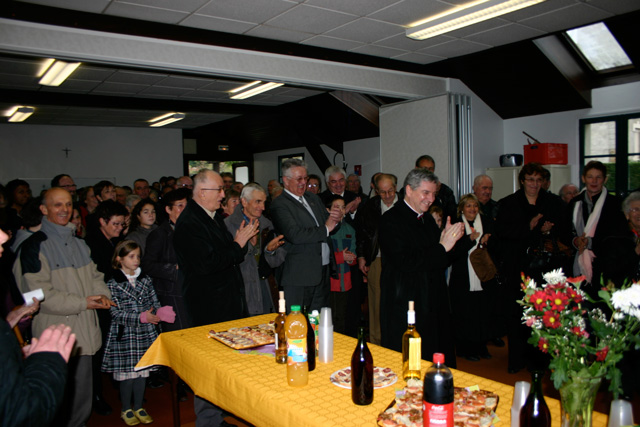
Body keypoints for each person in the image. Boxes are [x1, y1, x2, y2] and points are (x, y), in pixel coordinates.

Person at [13, 187, 115, 426]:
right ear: (43, 209)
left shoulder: (79, 244)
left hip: (85, 335)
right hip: (56, 337)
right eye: (57, 205)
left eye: (68, 204)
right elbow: (37, 296)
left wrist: (101, 294)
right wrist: (83, 302)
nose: (64, 210)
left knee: (81, 402)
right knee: (58, 406)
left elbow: (95, 276)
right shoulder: (33, 247)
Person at [173, 169, 257, 426]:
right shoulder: (189, 223)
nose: (223, 194)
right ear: (201, 192)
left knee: (224, 365)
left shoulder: (210, 216)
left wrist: (237, 244)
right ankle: (208, 421)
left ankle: (218, 416)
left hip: (224, 302)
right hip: (209, 307)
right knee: (210, 366)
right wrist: (237, 244)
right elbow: (207, 265)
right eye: (218, 190)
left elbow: (227, 256)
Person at [378, 168, 463, 367]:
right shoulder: (390, 220)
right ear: (409, 190)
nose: (430, 199)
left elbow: (439, 259)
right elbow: (406, 261)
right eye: (425, 193)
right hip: (406, 301)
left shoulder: (426, 220)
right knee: (410, 362)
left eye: (433, 194)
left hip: (430, 300)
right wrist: (443, 247)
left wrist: (453, 244)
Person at [495, 162, 564, 374]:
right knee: (517, 315)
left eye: (538, 180)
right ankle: (517, 359)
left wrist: (548, 231)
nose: (535, 184)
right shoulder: (508, 203)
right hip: (518, 267)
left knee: (543, 315)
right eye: (531, 179)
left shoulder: (554, 202)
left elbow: (564, 230)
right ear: (522, 180)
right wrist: (529, 227)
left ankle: (541, 361)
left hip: (546, 268)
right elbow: (502, 234)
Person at [101, 240, 175, 426]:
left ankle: (139, 405)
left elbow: (154, 300)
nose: (136, 260)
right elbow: (115, 313)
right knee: (128, 375)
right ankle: (126, 408)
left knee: (142, 373)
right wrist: (141, 317)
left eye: (138, 256)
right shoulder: (113, 283)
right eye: (131, 256)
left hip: (145, 333)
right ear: (119, 259)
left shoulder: (145, 279)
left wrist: (159, 312)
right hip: (125, 336)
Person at [270, 159, 343, 312]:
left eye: (305, 178)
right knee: (297, 324)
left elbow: (328, 227)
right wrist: (326, 228)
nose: (304, 183)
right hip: (299, 275)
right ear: (285, 180)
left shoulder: (312, 198)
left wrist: (336, 220)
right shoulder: (280, 204)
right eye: (299, 179)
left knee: (318, 321)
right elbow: (295, 235)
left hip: (322, 271)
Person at [560, 161, 628, 297]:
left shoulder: (615, 204)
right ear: (583, 178)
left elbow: (617, 236)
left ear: (605, 179)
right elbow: (564, 231)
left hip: (605, 266)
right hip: (577, 265)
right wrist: (575, 241)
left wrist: (590, 242)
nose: (594, 181)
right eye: (590, 177)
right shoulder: (575, 203)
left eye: (598, 177)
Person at [449, 194, 497, 362]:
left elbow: (495, 248)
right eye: (468, 206)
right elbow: (452, 252)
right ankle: (465, 348)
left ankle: (481, 346)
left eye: (475, 206)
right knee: (464, 313)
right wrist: (470, 240)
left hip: (482, 275)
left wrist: (485, 242)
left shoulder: (486, 222)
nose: (472, 209)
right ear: (461, 208)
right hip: (462, 277)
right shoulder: (456, 225)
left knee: (482, 312)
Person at [224, 183, 285, 315]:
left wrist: (270, 251)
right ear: (244, 202)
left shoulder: (268, 225)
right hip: (240, 289)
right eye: (258, 202)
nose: (262, 207)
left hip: (264, 288)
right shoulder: (228, 226)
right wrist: (242, 245)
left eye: (264, 202)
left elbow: (278, 260)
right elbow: (225, 260)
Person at [354, 173, 398, 345]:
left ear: (396, 188)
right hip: (377, 259)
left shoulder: (405, 205)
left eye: (391, 191)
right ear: (376, 190)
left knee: (397, 304)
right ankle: (376, 343)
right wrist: (361, 256)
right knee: (376, 305)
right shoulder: (369, 206)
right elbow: (362, 233)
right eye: (383, 192)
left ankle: (395, 343)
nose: (387, 196)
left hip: (398, 261)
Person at [141, 188, 191, 331]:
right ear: (168, 209)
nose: (184, 209)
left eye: (186, 206)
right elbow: (147, 264)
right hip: (171, 293)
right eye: (180, 205)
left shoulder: (191, 231)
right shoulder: (159, 234)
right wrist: (172, 268)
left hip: (190, 290)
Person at [325, 195, 356, 334]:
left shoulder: (350, 229)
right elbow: (322, 255)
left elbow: (353, 254)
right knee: (328, 318)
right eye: (336, 207)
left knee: (341, 317)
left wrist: (350, 258)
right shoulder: (323, 230)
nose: (341, 210)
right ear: (328, 210)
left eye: (343, 207)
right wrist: (340, 257)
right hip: (328, 281)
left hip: (344, 280)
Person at [415, 155, 457, 222]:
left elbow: (451, 217)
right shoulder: (409, 190)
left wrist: (437, 195)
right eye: (424, 168)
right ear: (417, 169)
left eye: (430, 169)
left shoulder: (445, 191)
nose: (428, 172)